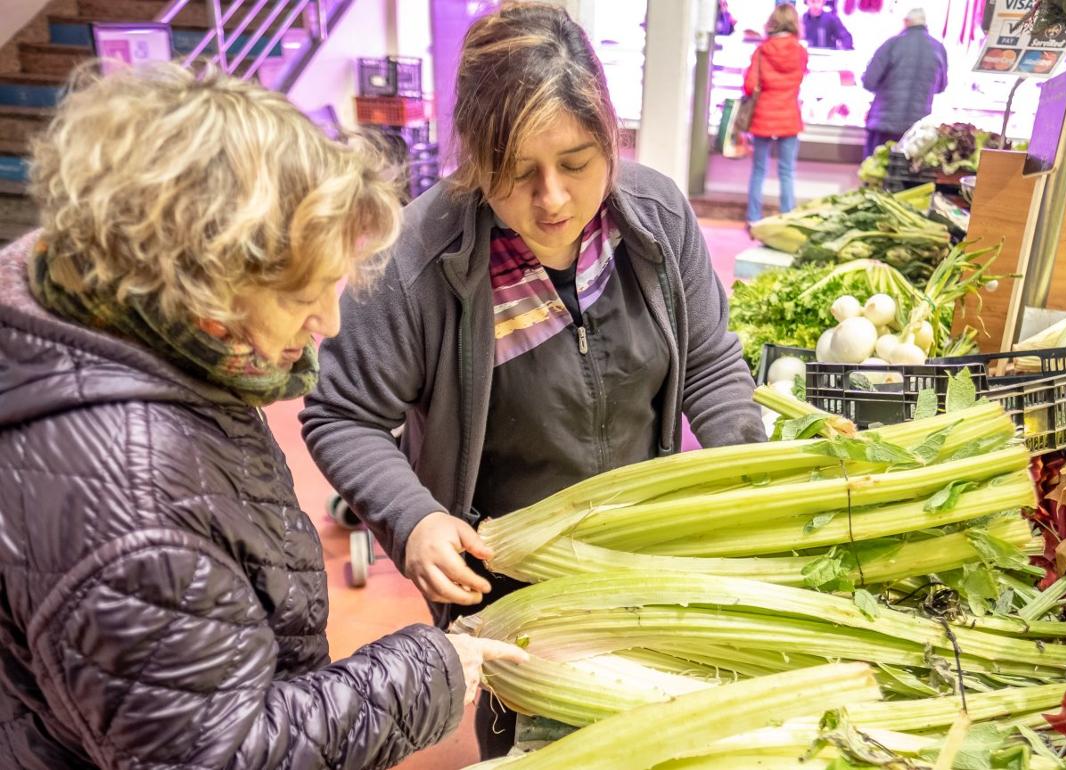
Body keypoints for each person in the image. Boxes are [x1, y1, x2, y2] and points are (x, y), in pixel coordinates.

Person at [0, 63, 525, 769]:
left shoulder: (141, 341)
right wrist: (429, 673)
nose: (331, 320)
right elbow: (219, 755)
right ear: (200, 286)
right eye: (303, 293)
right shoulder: (130, 499)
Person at [300, 1, 767, 759]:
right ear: (476, 162)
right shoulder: (420, 261)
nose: (552, 199)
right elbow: (341, 414)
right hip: (509, 582)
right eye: (517, 174)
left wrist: (751, 470)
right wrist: (414, 519)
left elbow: (709, 359)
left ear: (609, 138)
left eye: (577, 163)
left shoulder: (656, 219)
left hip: (644, 552)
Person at [743, 2, 809, 225]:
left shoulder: (762, 50)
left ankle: (753, 218)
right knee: (787, 171)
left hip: (763, 116)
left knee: (759, 170)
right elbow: (800, 79)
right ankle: (787, 218)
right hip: (789, 116)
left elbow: (750, 86)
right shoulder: (800, 51)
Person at [861, 7, 948, 159]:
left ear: (906, 22)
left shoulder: (893, 44)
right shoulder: (938, 48)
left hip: (884, 124)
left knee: (874, 171)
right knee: (902, 177)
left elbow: (869, 81)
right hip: (915, 131)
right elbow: (941, 87)